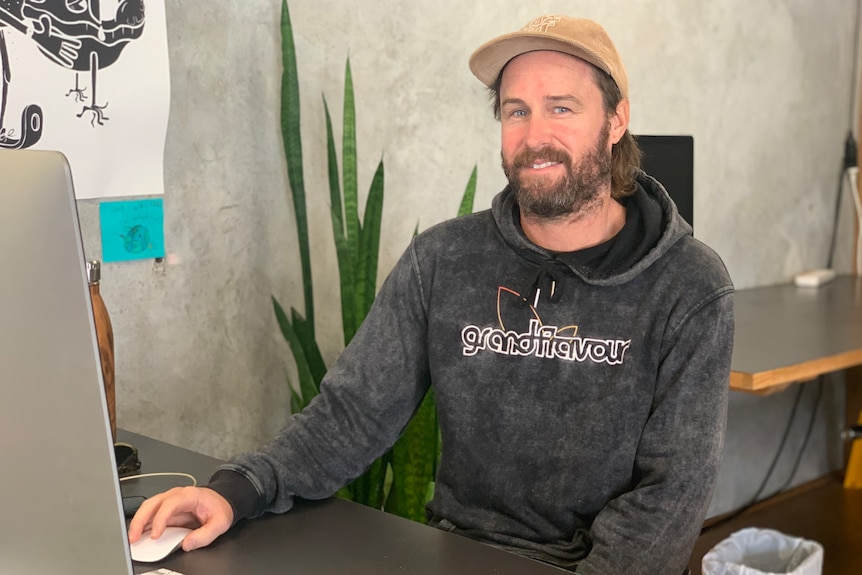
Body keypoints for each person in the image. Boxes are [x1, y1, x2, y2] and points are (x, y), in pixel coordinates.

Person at [129, 14, 734, 575]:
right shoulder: (444, 259)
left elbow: (669, 495)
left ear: (616, 120)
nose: (535, 135)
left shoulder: (691, 287)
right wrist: (234, 492)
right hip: (454, 551)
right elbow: (353, 413)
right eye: (516, 111)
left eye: (562, 108)